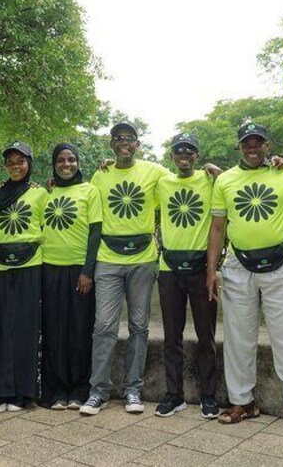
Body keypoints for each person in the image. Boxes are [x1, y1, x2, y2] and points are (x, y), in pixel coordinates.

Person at [206, 122, 283, 432]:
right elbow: (217, 227)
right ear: (239, 146)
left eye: (259, 142)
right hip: (239, 262)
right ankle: (243, 400)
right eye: (247, 143)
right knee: (238, 336)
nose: (253, 148)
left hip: (282, 261)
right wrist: (211, 269)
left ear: (268, 145)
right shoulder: (225, 180)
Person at [80, 121, 171, 415]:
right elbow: (85, 201)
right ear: (111, 145)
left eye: (129, 138)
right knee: (104, 326)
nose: (124, 143)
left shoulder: (154, 171)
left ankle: (133, 389)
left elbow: (185, 180)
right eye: (118, 138)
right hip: (108, 257)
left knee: (139, 326)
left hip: (143, 258)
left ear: (138, 144)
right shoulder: (100, 174)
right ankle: (99, 391)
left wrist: (210, 170)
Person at [153, 132, 219, 419]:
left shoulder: (209, 180)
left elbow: (236, 184)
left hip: (201, 269)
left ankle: (208, 395)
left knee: (206, 335)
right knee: (171, 335)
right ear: (172, 155)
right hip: (169, 269)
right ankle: (174, 394)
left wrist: (219, 171)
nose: (184, 155)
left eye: (190, 150)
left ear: (197, 155)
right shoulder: (162, 182)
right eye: (179, 150)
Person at [40, 144, 103, 410]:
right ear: (54, 164)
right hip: (49, 267)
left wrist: (87, 271)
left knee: (79, 330)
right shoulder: (46, 192)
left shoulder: (90, 190)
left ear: (78, 162)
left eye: (72, 159)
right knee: (53, 330)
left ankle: (78, 389)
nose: (67, 164)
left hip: (79, 270)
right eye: (61, 160)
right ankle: (54, 391)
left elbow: (95, 233)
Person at [0, 141, 48, 412]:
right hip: (0, 264)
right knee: (0, 327)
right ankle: (1, 391)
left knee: (26, 328)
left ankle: (23, 392)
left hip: (31, 263)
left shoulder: (40, 193)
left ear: (30, 164)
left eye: (21, 161)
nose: (16, 166)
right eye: (11, 162)